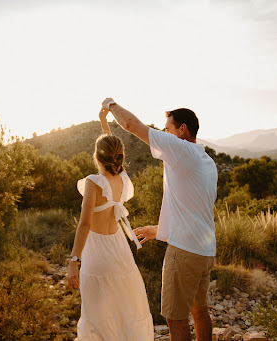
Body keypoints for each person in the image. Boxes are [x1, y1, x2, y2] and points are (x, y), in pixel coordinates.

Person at [101, 98, 218, 341]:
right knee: (199, 311)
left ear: (182, 129)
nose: (165, 133)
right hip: (204, 251)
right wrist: (160, 230)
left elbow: (131, 124)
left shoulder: (180, 149)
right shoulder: (207, 161)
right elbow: (194, 208)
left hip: (184, 253)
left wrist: (110, 104)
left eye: (168, 129)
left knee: (175, 318)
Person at [66, 108, 154, 341]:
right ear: (119, 157)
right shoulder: (122, 179)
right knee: (121, 310)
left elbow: (84, 225)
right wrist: (104, 123)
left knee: (96, 316)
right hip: (119, 250)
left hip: (96, 253)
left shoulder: (94, 183)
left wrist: (74, 261)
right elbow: (110, 146)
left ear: (97, 156)